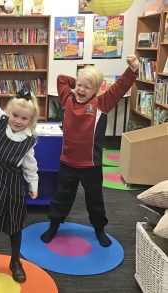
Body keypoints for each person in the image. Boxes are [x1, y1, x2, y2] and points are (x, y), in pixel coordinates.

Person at [40, 55, 139, 247]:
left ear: (96, 90)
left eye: (87, 87)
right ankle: (54, 225)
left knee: (95, 200)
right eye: (79, 85)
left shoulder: (100, 104)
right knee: (62, 197)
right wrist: (77, 80)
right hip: (67, 162)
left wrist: (133, 70)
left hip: (91, 166)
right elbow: (61, 78)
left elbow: (120, 87)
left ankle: (99, 229)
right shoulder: (66, 99)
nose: (80, 90)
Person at [0, 66, 40, 287]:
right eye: (15, 115)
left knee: (15, 226)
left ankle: (15, 261)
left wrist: (33, 184)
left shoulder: (29, 139)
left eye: (24, 118)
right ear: (8, 112)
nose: (18, 121)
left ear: (30, 120)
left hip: (13, 185)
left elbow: (31, 165)